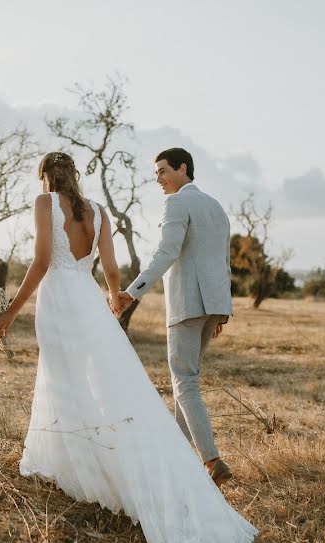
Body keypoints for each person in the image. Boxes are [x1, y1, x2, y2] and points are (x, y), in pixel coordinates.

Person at [0, 151, 256, 543]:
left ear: (45, 177)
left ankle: (74, 457)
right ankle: (121, 451)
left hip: (58, 298)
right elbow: (111, 269)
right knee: (107, 383)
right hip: (90, 299)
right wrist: (114, 299)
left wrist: (10, 312)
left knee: (62, 379)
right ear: (75, 175)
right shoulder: (99, 211)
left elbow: (40, 262)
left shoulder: (45, 204)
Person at [113, 147, 235, 487]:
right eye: (156, 174)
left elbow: (167, 251)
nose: (159, 179)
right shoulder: (216, 206)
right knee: (187, 381)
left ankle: (211, 460)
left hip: (188, 303)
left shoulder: (177, 202)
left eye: (163, 171)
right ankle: (178, 456)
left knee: (185, 381)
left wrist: (132, 291)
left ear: (183, 169)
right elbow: (223, 261)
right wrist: (222, 309)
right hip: (214, 305)